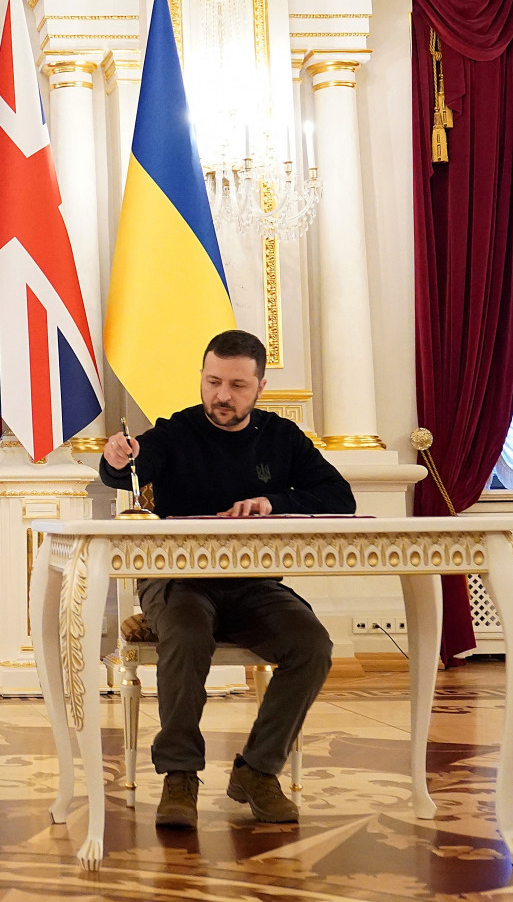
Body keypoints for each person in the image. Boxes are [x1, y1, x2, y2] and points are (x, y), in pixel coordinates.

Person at [99, 328, 353, 830]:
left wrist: (274, 503)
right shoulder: (176, 432)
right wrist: (115, 456)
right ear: (201, 379)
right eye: (213, 381)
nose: (222, 395)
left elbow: (338, 499)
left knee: (312, 646)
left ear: (259, 388)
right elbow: (122, 472)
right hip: (178, 580)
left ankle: (258, 771)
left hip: (254, 583)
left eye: (237, 385)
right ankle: (179, 776)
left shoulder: (282, 438)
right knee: (189, 632)